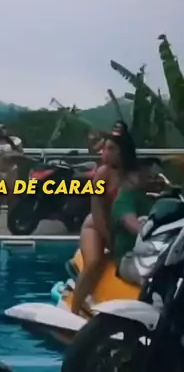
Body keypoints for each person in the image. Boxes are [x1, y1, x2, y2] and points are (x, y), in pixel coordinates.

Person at [71, 123, 137, 315]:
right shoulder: (102, 174)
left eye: (111, 148)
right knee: (93, 261)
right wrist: (109, 238)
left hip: (120, 228)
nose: (105, 153)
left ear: (122, 151)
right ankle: (73, 311)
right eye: (105, 148)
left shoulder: (134, 175)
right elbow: (97, 212)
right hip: (95, 226)